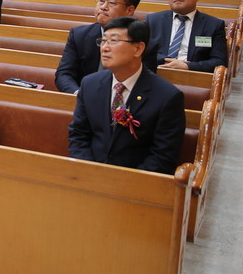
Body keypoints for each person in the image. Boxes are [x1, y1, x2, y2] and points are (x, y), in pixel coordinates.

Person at [68, 17, 185, 174]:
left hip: (137, 183)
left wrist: (125, 182)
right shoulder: (89, 84)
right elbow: (78, 135)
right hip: (89, 174)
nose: (105, 48)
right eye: (103, 41)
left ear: (138, 49)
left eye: (113, 41)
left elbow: (163, 156)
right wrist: (89, 171)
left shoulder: (167, 97)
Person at [55, 0, 158, 93]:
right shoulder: (79, 35)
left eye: (112, 3)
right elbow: (64, 74)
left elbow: (142, 84)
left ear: (129, 10)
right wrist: (79, 94)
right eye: (101, 0)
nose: (103, 7)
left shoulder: (143, 43)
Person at [147, 0, 228, 72]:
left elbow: (219, 61)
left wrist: (188, 66)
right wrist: (167, 62)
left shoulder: (213, 25)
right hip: (156, 73)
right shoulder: (153, 20)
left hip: (192, 77)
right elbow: (142, 52)